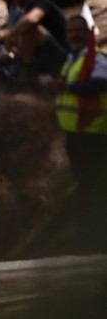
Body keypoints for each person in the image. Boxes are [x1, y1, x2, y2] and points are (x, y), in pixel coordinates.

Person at [48, 15, 107, 203]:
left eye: (80, 31)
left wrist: (67, 87)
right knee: (84, 181)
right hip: (76, 131)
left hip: (94, 133)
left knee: (95, 183)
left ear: (89, 33)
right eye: (71, 31)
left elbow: (100, 83)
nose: (75, 35)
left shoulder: (95, 58)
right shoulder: (72, 59)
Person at [0, 0, 71, 79]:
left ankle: (26, 72)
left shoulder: (40, 3)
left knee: (30, 29)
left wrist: (11, 36)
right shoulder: (24, 9)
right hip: (44, 54)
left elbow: (31, 20)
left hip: (64, 55)